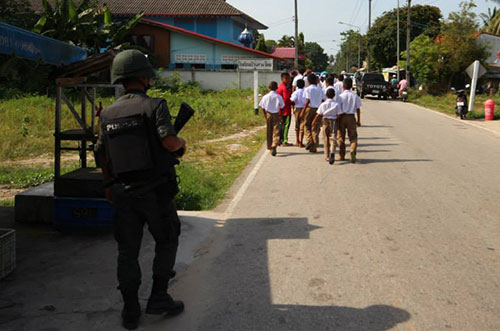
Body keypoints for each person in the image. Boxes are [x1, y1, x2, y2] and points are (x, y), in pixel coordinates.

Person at [95, 50, 186, 330]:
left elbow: (101, 154)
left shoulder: (107, 113)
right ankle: (158, 296)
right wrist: (181, 143)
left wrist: (109, 184)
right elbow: (169, 142)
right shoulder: (155, 105)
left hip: (123, 193)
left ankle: (131, 310)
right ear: (145, 77)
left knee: (127, 251)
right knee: (167, 239)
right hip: (156, 192)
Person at [312, 88, 341, 164]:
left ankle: (327, 156)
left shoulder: (323, 104)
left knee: (325, 139)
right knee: (333, 138)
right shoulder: (336, 104)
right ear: (334, 95)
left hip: (324, 121)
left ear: (326, 95)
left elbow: (318, 114)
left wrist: (314, 122)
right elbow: (338, 115)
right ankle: (332, 152)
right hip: (333, 121)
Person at [337, 77, 361, 163]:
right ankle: (352, 150)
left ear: (343, 86)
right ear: (351, 86)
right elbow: (358, 109)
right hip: (351, 117)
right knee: (353, 136)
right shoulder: (355, 96)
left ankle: (341, 155)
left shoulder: (340, 97)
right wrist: (358, 120)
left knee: (341, 137)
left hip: (342, 117)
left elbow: (338, 109)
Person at [260, 81, 285, 156]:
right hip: (276, 114)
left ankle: (269, 146)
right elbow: (282, 106)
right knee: (276, 130)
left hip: (268, 114)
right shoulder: (278, 96)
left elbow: (262, 107)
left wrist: (265, 115)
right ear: (277, 88)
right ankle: (275, 143)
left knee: (269, 131)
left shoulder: (265, 96)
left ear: (269, 87)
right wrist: (281, 115)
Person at [303, 73, 325, 153]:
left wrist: (303, 111)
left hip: (310, 108)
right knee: (315, 127)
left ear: (308, 81)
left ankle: (309, 141)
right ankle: (314, 146)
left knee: (306, 125)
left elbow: (307, 101)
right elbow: (323, 100)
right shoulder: (320, 89)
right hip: (318, 109)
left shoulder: (308, 89)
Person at [276, 72, 293, 146]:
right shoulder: (284, 88)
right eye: (287, 78)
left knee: (282, 125)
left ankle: (280, 139)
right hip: (285, 110)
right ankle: (284, 140)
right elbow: (286, 99)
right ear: (283, 79)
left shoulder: (281, 87)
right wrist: (292, 102)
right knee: (286, 125)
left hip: (281, 109)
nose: (289, 80)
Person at [290, 79, 306, 147]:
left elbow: (292, 100)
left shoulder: (295, 92)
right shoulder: (306, 92)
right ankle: (301, 142)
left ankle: (297, 140)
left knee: (297, 125)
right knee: (302, 125)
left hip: (297, 108)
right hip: (304, 109)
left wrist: (293, 107)